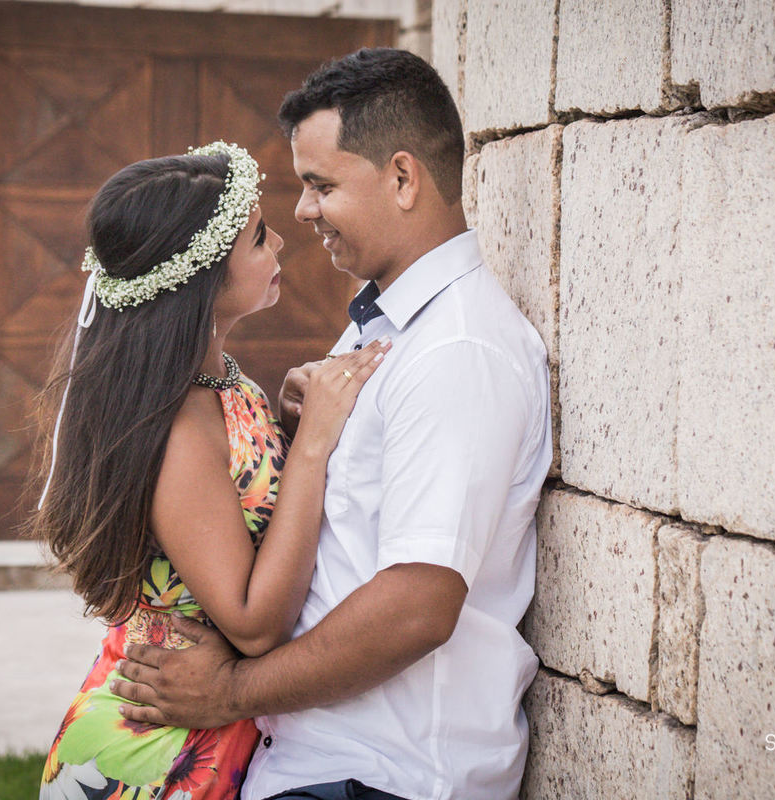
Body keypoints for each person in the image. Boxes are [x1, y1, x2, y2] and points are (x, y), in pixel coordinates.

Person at [111, 49, 553, 800]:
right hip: (319, 765)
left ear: (404, 178)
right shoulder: (382, 325)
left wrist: (232, 692)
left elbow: (416, 607)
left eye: (320, 186)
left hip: (383, 775)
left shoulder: (457, 352)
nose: (303, 212)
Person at [29, 141, 390, 799]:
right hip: (153, 751)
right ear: (201, 280)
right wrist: (313, 447)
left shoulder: (218, 379)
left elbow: (240, 516)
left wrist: (280, 431)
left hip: (194, 731)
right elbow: (253, 623)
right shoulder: (177, 423)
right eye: (257, 237)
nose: (281, 240)